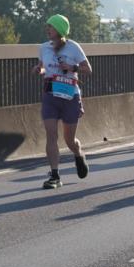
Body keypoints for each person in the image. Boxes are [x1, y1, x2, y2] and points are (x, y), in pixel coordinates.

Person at [33, 15, 91, 189]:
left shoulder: (73, 47)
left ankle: (78, 153)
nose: (47, 29)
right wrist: (38, 69)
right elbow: (43, 66)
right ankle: (55, 175)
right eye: (47, 26)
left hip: (69, 96)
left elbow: (88, 69)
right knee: (51, 135)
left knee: (69, 140)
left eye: (50, 27)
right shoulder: (44, 47)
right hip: (50, 95)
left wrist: (72, 67)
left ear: (59, 29)